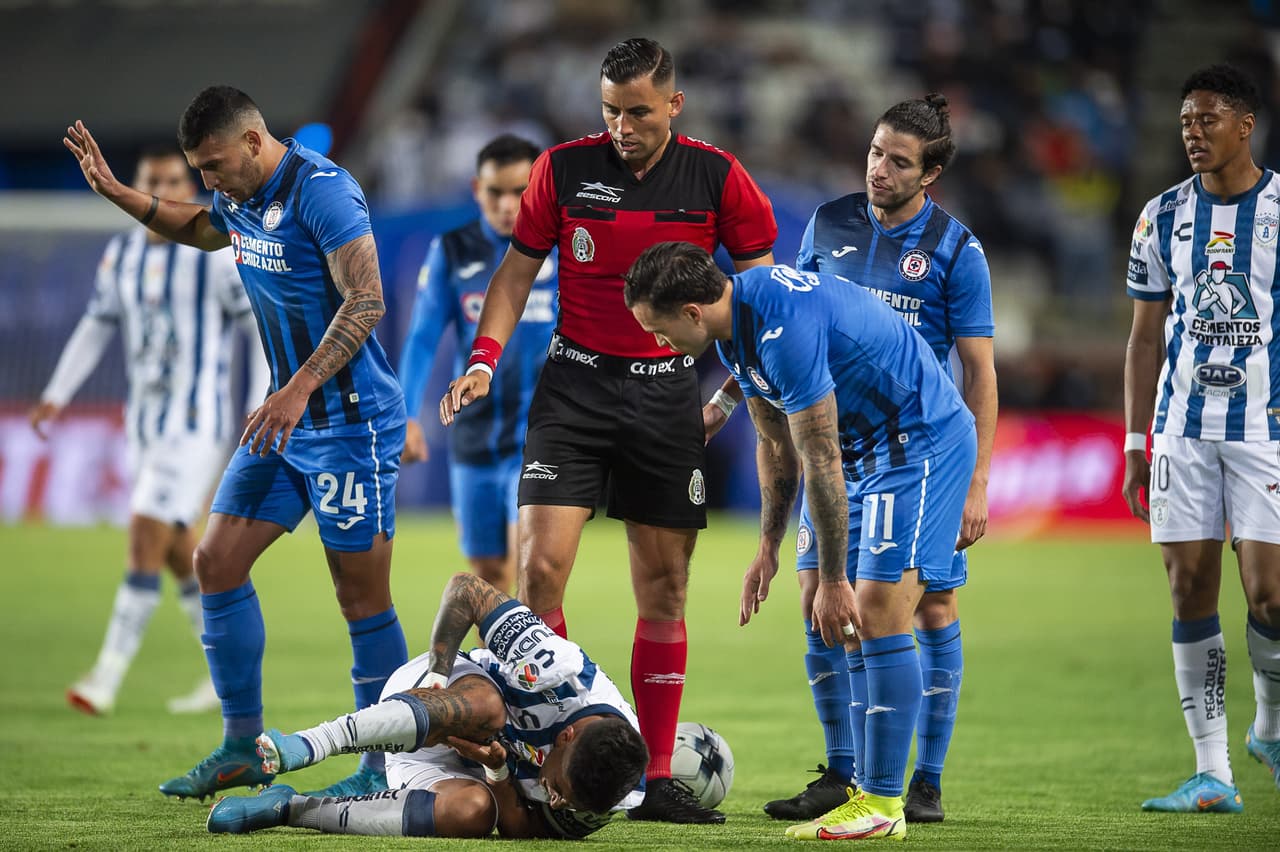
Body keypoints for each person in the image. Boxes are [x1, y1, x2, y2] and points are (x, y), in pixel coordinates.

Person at [439, 37, 777, 824]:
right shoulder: (562, 169)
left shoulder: (721, 178)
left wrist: (726, 401)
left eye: (638, 112)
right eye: (609, 111)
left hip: (666, 397)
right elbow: (515, 274)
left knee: (664, 587)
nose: (622, 126)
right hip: (574, 392)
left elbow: (762, 305)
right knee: (539, 575)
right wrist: (485, 360)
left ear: (674, 105)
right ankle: (544, 748)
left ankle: (656, 778)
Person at [63, 85, 409, 801]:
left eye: (215, 165)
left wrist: (300, 384)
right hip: (283, 424)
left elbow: (369, 299)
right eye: (201, 169)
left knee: (360, 598)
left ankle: (383, 766)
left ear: (254, 141)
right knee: (214, 562)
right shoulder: (241, 196)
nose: (209, 181)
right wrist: (119, 194)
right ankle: (239, 746)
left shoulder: (324, 192)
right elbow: (198, 225)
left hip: (347, 423)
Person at [623, 243, 977, 842]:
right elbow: (775, 447)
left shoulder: (782, 328)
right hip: (871, 453)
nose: (660, 343)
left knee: (878, 614)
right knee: (831, 612)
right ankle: (858, 783)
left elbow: (820, 454)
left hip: (920, 443)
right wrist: (768, 545)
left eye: (658, 331)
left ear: (690, 311)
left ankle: (885, 804)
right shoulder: (735, 328)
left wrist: (837, 579)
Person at [759, 93, 994, 824]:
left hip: (918, 450)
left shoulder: (956, 251)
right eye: (874, 152)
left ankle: (922, 781)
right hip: (835, 443)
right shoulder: (827, 224)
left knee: (926, 605)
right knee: (815, 597)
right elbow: (790, 314)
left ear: (932, 173)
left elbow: (981, 372)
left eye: (898, 161)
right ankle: (842, 770)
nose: (879, 170)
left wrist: (979, 481)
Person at [30, 146, 268, 717]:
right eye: (150, 181)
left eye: (170, 181)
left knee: (143, 533)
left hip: (196, 426)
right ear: (135, 188)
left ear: (185, 187)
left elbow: (257, 328)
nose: (160, 189)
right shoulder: (121, 255)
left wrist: (261, 399)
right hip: (144, 427)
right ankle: (223, 673)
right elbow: (95, 325)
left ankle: (105, 677)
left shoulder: (214, 257)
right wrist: (57, 394)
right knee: (176, 551)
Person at [206, 571, 648, 839]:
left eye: (565, 804)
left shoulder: (614, 792)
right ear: (567, 735)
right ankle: (310, 743)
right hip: (436, 695)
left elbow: (520, 827)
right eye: (560, 791)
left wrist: (497, 770)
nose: (556, 802)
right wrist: (438, 676)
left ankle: (290, 808)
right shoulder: (558, 671)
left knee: (474, 814)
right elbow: (467, 590)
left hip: (450, 771)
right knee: (489, 708)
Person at [1122, 63, 1280, 812]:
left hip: (1266, 431)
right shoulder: (1159, 216)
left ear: (1245, 126)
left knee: (1270, 594)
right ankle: (1212, 771)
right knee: (1189, 590)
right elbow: (1143, 338)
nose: (1193, 132)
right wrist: (1132, 442)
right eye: (1186, 121)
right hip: (1181, 433)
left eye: (1208, 119)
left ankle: (1270, 728)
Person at [399, 134, 557, 592]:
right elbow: (423, 337)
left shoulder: (565, 248)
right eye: (495, 192)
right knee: (489, 575)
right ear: (476, 189)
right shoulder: (452, 250)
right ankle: (499, 664)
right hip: (475, 436)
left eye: (519, 192)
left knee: (531, 564)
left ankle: (534, 665)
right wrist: (408, 416)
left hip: (542, 437)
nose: (508, 204)